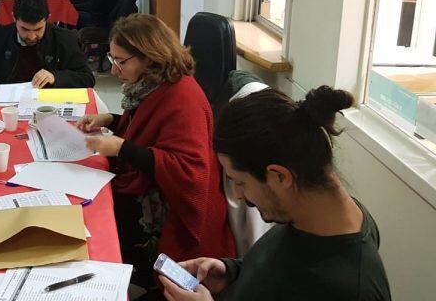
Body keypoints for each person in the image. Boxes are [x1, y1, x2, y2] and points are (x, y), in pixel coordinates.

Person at [160, 86, 392, 301]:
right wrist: (231, 273)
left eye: (240, 182)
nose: (239, 195)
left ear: (280, 177)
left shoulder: (353, 289)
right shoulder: (307, 214)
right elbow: (280, 274)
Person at [76, 14, 236, 297]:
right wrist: (111, 120)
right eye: (112, 60)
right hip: (155, 188)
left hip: (176, 210)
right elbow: (148, 130)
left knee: (95, 221)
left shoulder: (183, 97)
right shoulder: (152, 85)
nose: (114, 71)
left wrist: (121, 147)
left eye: (121, 61)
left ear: (149, 57)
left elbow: (189, 171)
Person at [0, 0, 94, 89]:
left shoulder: (64, 38)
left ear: (48, 19)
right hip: (7, 105)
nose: (31, 36)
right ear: (14, 18)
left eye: (38, 29)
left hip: (49, 104)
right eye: (25, 29)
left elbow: (87, 78)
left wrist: (56, 77)